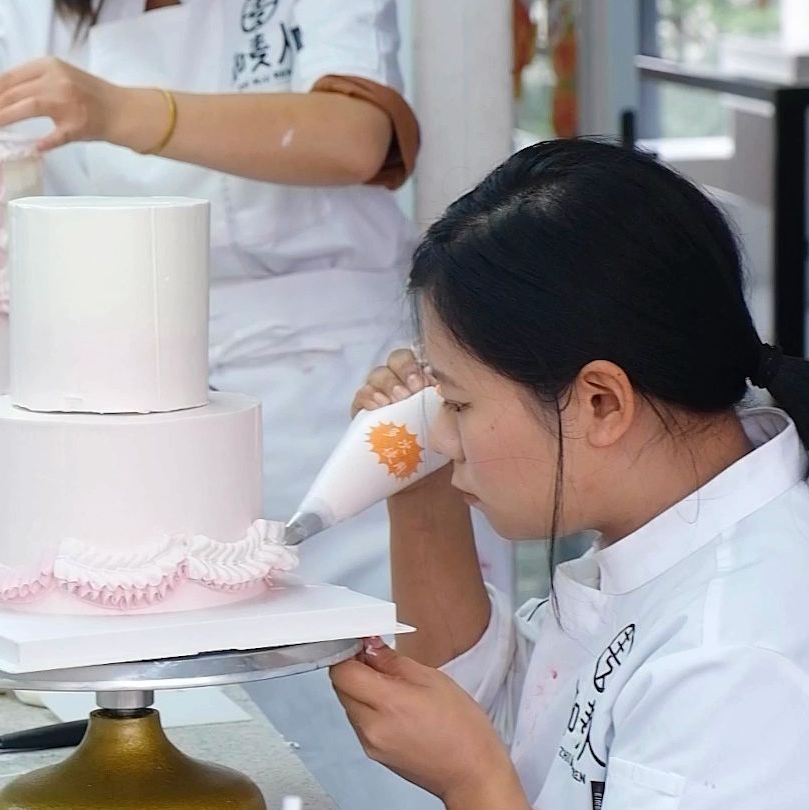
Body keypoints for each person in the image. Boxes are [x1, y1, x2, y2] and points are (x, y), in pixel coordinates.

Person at [0, 3, 439, 807]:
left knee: (373, 716)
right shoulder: (20, 21)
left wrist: (116, 109)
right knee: (186, 729)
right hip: (112, 396)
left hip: (327, 400)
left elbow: (357, 138)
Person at [330, 137, 809, 808]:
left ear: (600, 403)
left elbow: (493, 762)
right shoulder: (659, 523)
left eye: (459, 403)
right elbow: (503, 723)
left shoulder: (733, 655)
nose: (440, 432)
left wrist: (473, 781)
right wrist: (420, 494)